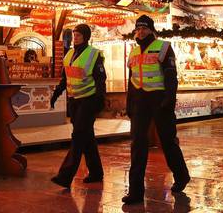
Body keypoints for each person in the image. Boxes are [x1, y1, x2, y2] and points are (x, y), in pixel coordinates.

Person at [122, 15, 190, 205]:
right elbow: (132, 79)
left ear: (151, 30)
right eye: (138, 29)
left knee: (168, 142)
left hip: (160, 100)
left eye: (144, 28)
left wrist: (169, 99)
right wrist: (129, 103)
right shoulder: (133, 52)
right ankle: (135, 192)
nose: (141, 32)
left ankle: (181, 176)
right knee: (137, 144)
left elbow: (171, 76)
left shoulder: (164, 47)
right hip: (140, 101)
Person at [49, 24, 106, 188]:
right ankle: (96, 172)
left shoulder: (94, 54)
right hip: (75, 101)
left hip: (89, 100)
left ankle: (65, 176)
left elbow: (101, 80)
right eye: (74, 35)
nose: (75, 38)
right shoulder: (69, 55)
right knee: (87, 137)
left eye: (79, 35)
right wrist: (56, 94)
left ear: (86, 37)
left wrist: (100, 100)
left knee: (79, 136)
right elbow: (64, 78)